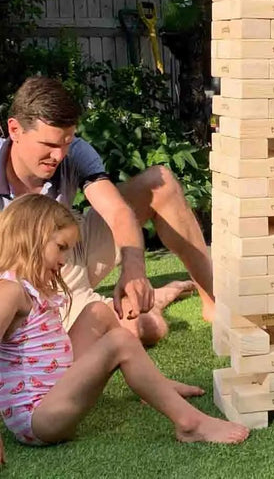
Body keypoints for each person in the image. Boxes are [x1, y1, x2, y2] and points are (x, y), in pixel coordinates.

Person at [0, 194, 248, 463]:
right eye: (60, 247)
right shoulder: (9, 291)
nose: (63, 260)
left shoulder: (32, 287)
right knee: (119, 341)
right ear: (30, 237)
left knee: (98, 311)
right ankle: (190, 423)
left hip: (54, 391)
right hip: (38, 419)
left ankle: (155, 386)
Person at [3, 76, 215, 347]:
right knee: (146, 328)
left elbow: (117, 212)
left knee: (161, 185)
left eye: (66, 142)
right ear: (15, 129)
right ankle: (154, 300)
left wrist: (134, 269)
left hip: (72, 244)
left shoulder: (74, 152)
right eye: (50, 145)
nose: (59, 156)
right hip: (28, 276)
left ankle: (213, 303)